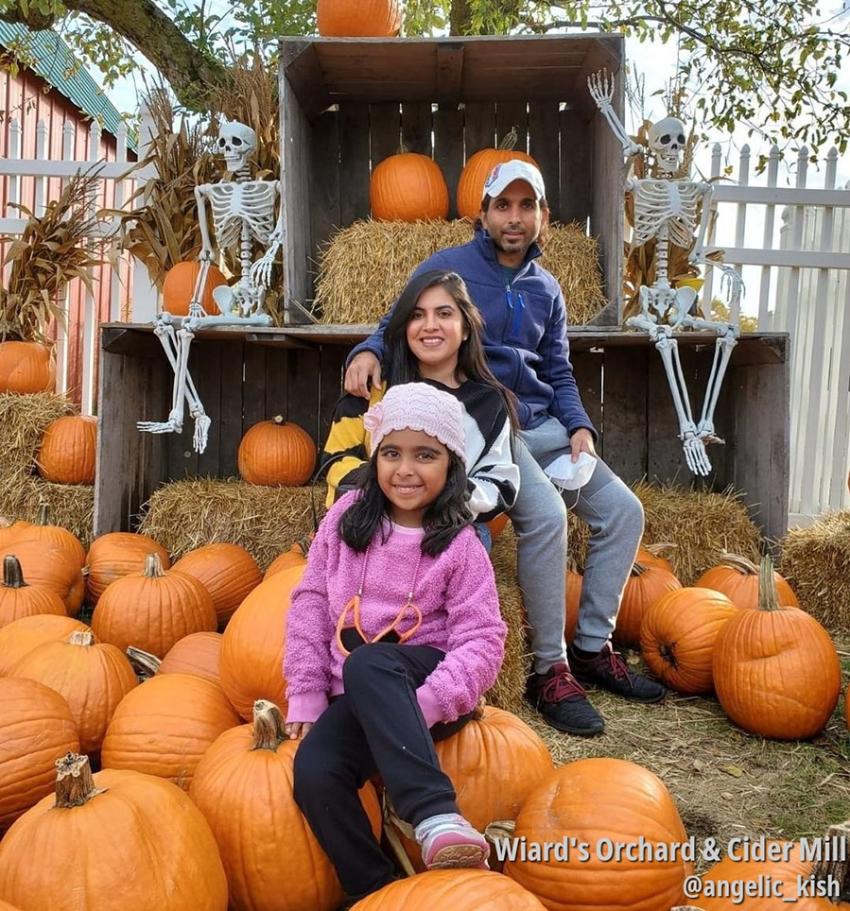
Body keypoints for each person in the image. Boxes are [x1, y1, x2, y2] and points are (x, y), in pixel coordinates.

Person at [344, 159, 665, 738]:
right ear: (484, 213)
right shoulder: (450, 267)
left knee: (623, 511)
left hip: (543, 424)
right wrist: (364, 352)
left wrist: (579, 427)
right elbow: (401, 320)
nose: (514, 218)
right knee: (544, 517)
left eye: (527, 206)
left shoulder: (547, 288)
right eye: (503, 206)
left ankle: (592, 645)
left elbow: (560, 371)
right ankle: (549, 669)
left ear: (544, 217)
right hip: (488, 419)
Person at [284, 382, 506, 906]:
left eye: (424, 455)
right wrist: (307, 689)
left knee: (371, 664)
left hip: (426, 687)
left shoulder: (460, 545)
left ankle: (434, 815)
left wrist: (426, 704)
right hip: (359, 694)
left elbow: (483, 638)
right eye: (391, 453)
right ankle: (377, 890)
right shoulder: (345, 520)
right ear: (375, 457)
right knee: (314, 773)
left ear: (451, 465)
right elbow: (311, 599)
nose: (405, 469)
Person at [321, 268, 520, 548]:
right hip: (368, 523)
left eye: (444, 314)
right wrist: (392, 493)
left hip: (445, 530)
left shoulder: (487, 404)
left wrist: (440, 498)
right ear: (405, 327)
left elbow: (500, 481)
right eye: (417, 315)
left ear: (465, 329)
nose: (430, 325)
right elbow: (336, 460)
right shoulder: (373, 387)